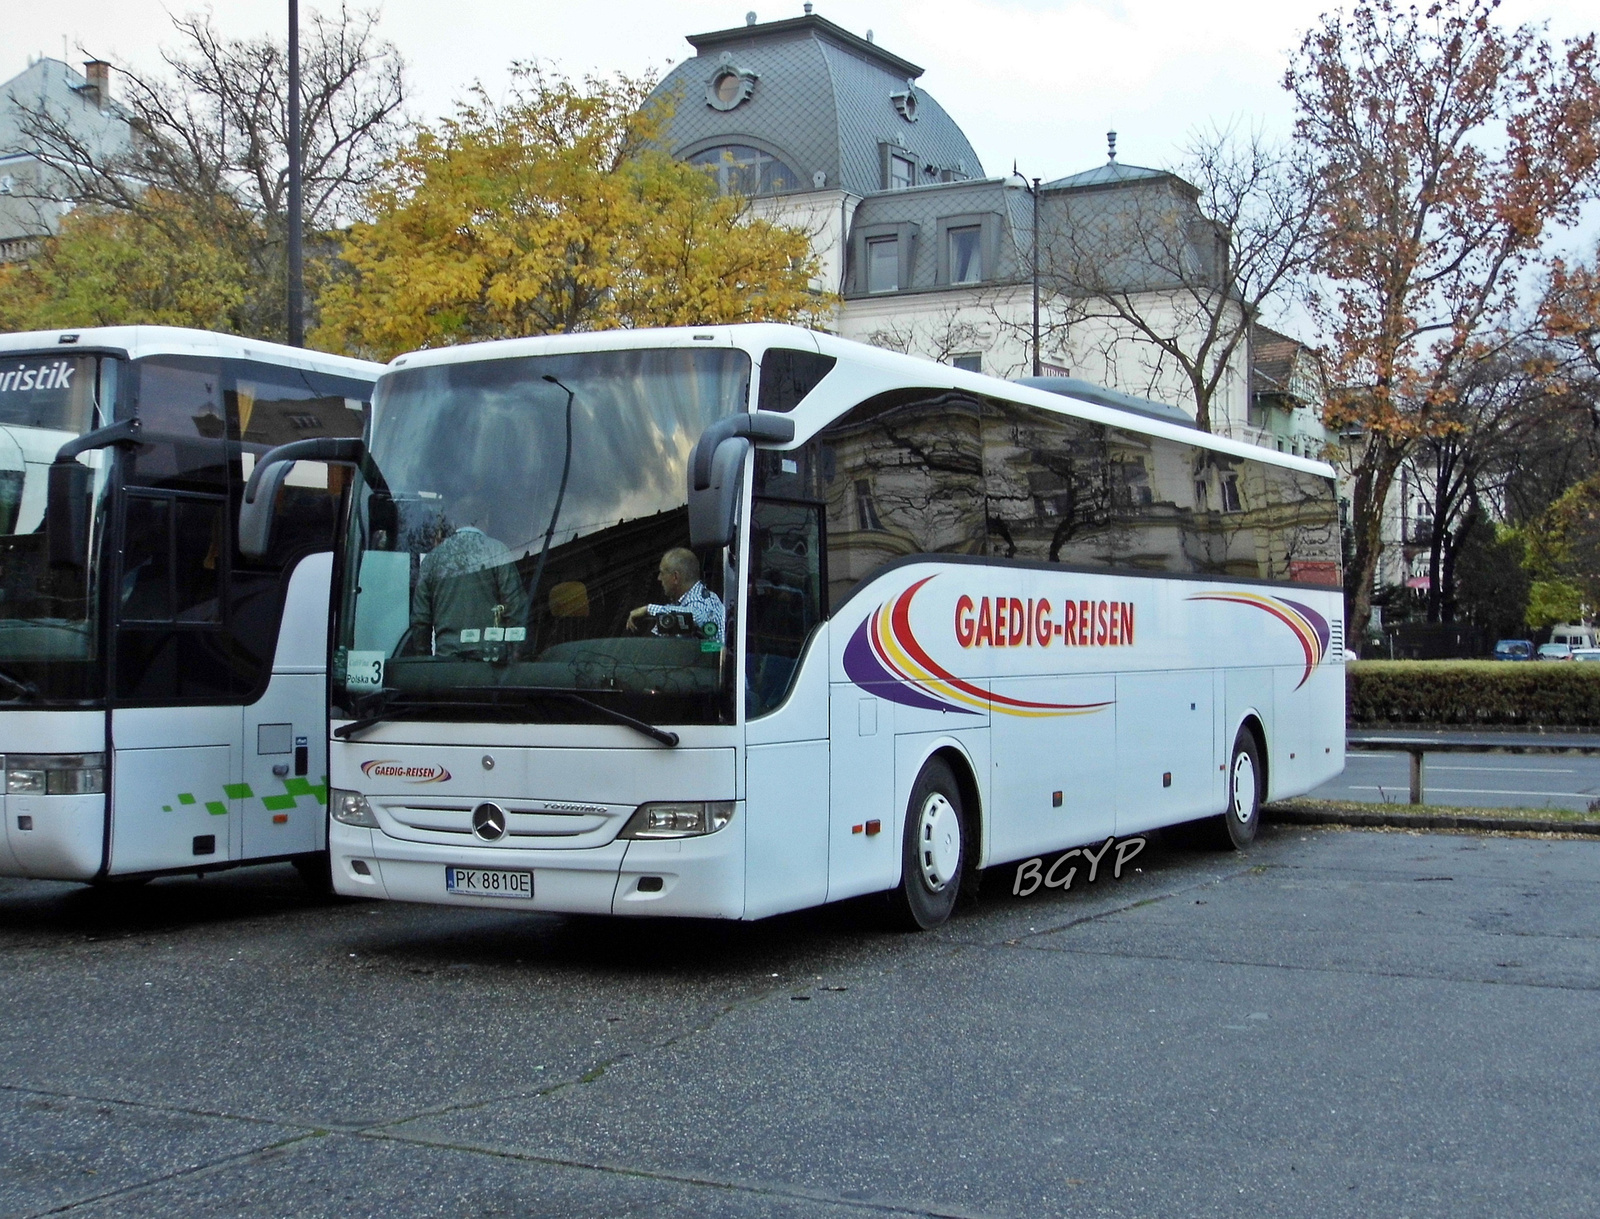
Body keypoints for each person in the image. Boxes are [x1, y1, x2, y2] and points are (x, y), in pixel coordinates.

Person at [410, 494, 528, 657]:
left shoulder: (432, 560)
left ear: (454, 522)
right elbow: (515, 608)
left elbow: (420, 620)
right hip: (489, 664)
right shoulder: (497, 551)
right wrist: (515, 656)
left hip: (446, 663)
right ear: (485, 518)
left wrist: (425, 661)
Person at [627, 547, 724, 647]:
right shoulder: (681, 605)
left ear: (675, 577)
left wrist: (648, 609)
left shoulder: (699, 601)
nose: (659, 578)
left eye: (662, 573)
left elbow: (694, 616)